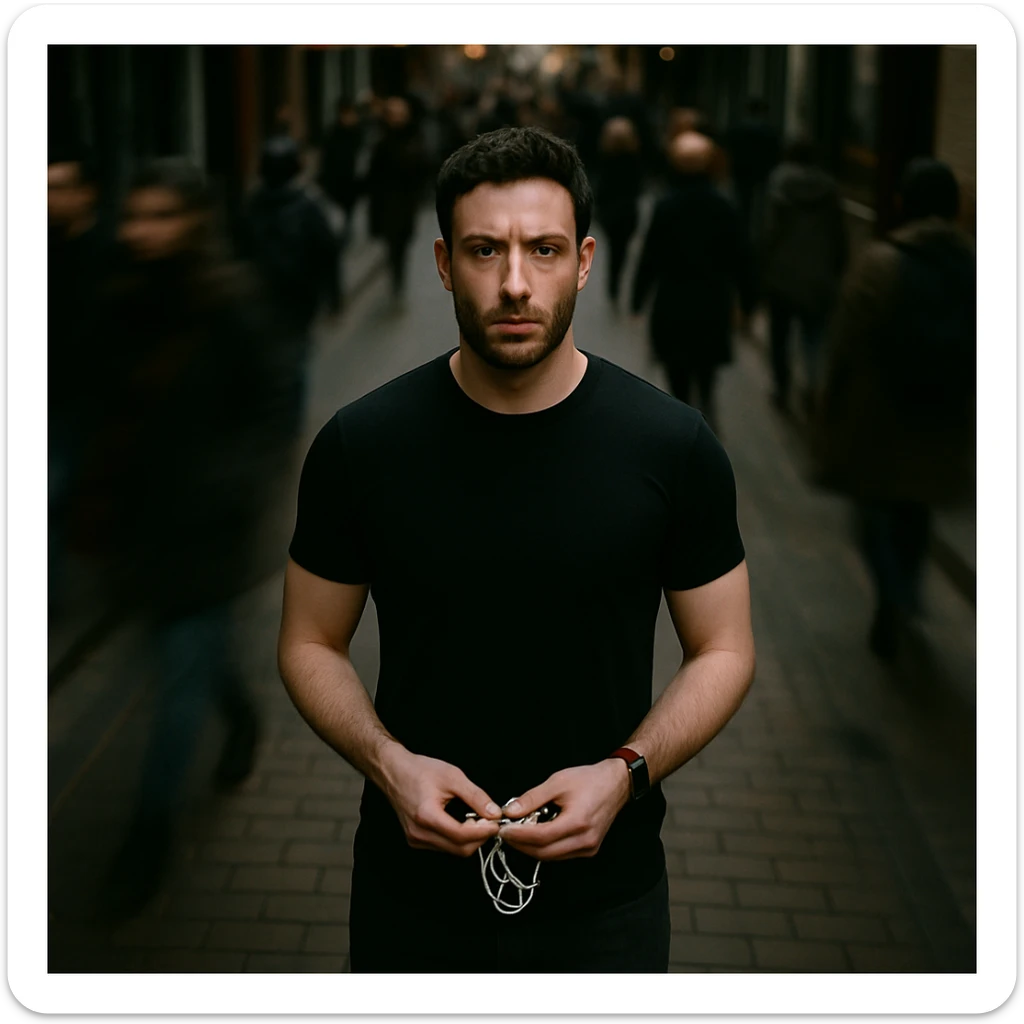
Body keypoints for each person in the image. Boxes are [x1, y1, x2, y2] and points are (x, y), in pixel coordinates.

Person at [278, 126, 756, 973]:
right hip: (408, 894)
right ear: (442, 262)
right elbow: (309, 640)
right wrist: (389, 766)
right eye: (483, 250)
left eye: (543, 249)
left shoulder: (672, 447)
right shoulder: (362, 446)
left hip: (608, 901)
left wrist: (625, 774)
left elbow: (723, 648)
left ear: (584, 261)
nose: (514, 283)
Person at [85, 159, 295, 920]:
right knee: (188, 660)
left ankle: (147, 841)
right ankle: (239, 713)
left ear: (196, 223)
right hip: (141, 530)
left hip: (206, 535)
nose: (144, 231)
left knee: (176, 683)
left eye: (163, 216)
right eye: (136, 214)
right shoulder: (120, 296)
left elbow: (274, 403)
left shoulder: (231, 301)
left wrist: (228, 485)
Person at [810, 157, 975, 660]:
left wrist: (828, 401)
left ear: (904, 203)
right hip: (943, 418)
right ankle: (908, 590)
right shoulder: (974, 266)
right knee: (915, 509)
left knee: (874, 511)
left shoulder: (881, 262)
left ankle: (892, 596)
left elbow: (846, 340)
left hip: (881, 416)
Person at [631, 131, 755, 434]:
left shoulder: (666, 206)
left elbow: (650, 257)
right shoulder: (724, 207)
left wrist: (638, 298)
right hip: (712, 300)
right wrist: (748, 300)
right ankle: (705, 410)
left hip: (674, 301)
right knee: (706, 366)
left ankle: (684, 419)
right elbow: (742, 258)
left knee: (677, 370)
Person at [47, 149, 112, 616]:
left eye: (56, 188)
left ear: (86, 193)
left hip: (88, 402)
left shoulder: (107, 253)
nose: (46, 199)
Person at [242, 134, 340, 435]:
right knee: (295, 360)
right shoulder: (307, 206)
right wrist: (334, 297)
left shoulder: (252, 206)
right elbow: (328, 253)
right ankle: (288, 419)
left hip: (262, 299)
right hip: (298, 301)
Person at [760, 137, 848, 416]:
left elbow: (769, 232)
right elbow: (839, 236)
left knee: (780, 337)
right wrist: (837, 268)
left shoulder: (779, 185)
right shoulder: (830, 189)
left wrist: (762, 266)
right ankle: (812, 385)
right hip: (818, 276)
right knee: (814, 337)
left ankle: (781, 387)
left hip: (782, 275)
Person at [365, 96, 430, 298]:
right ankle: (396, 278)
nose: (398, 118)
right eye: (394, 114)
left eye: (401, 114)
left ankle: (398, 276)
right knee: (393, 242)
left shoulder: (414, 138)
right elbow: (373, 177)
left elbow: (422, 167)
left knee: (403, 241)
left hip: (406, 201)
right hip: (388, 202)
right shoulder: (381, 142)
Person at [593, 116, 644, 309]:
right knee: (621, 250)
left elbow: (602, 188)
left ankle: (613, 282)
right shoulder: (635, 160)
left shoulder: (606, 159)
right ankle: (616, 280)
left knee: (614, 249)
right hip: (628, 213)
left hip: (610, 212)